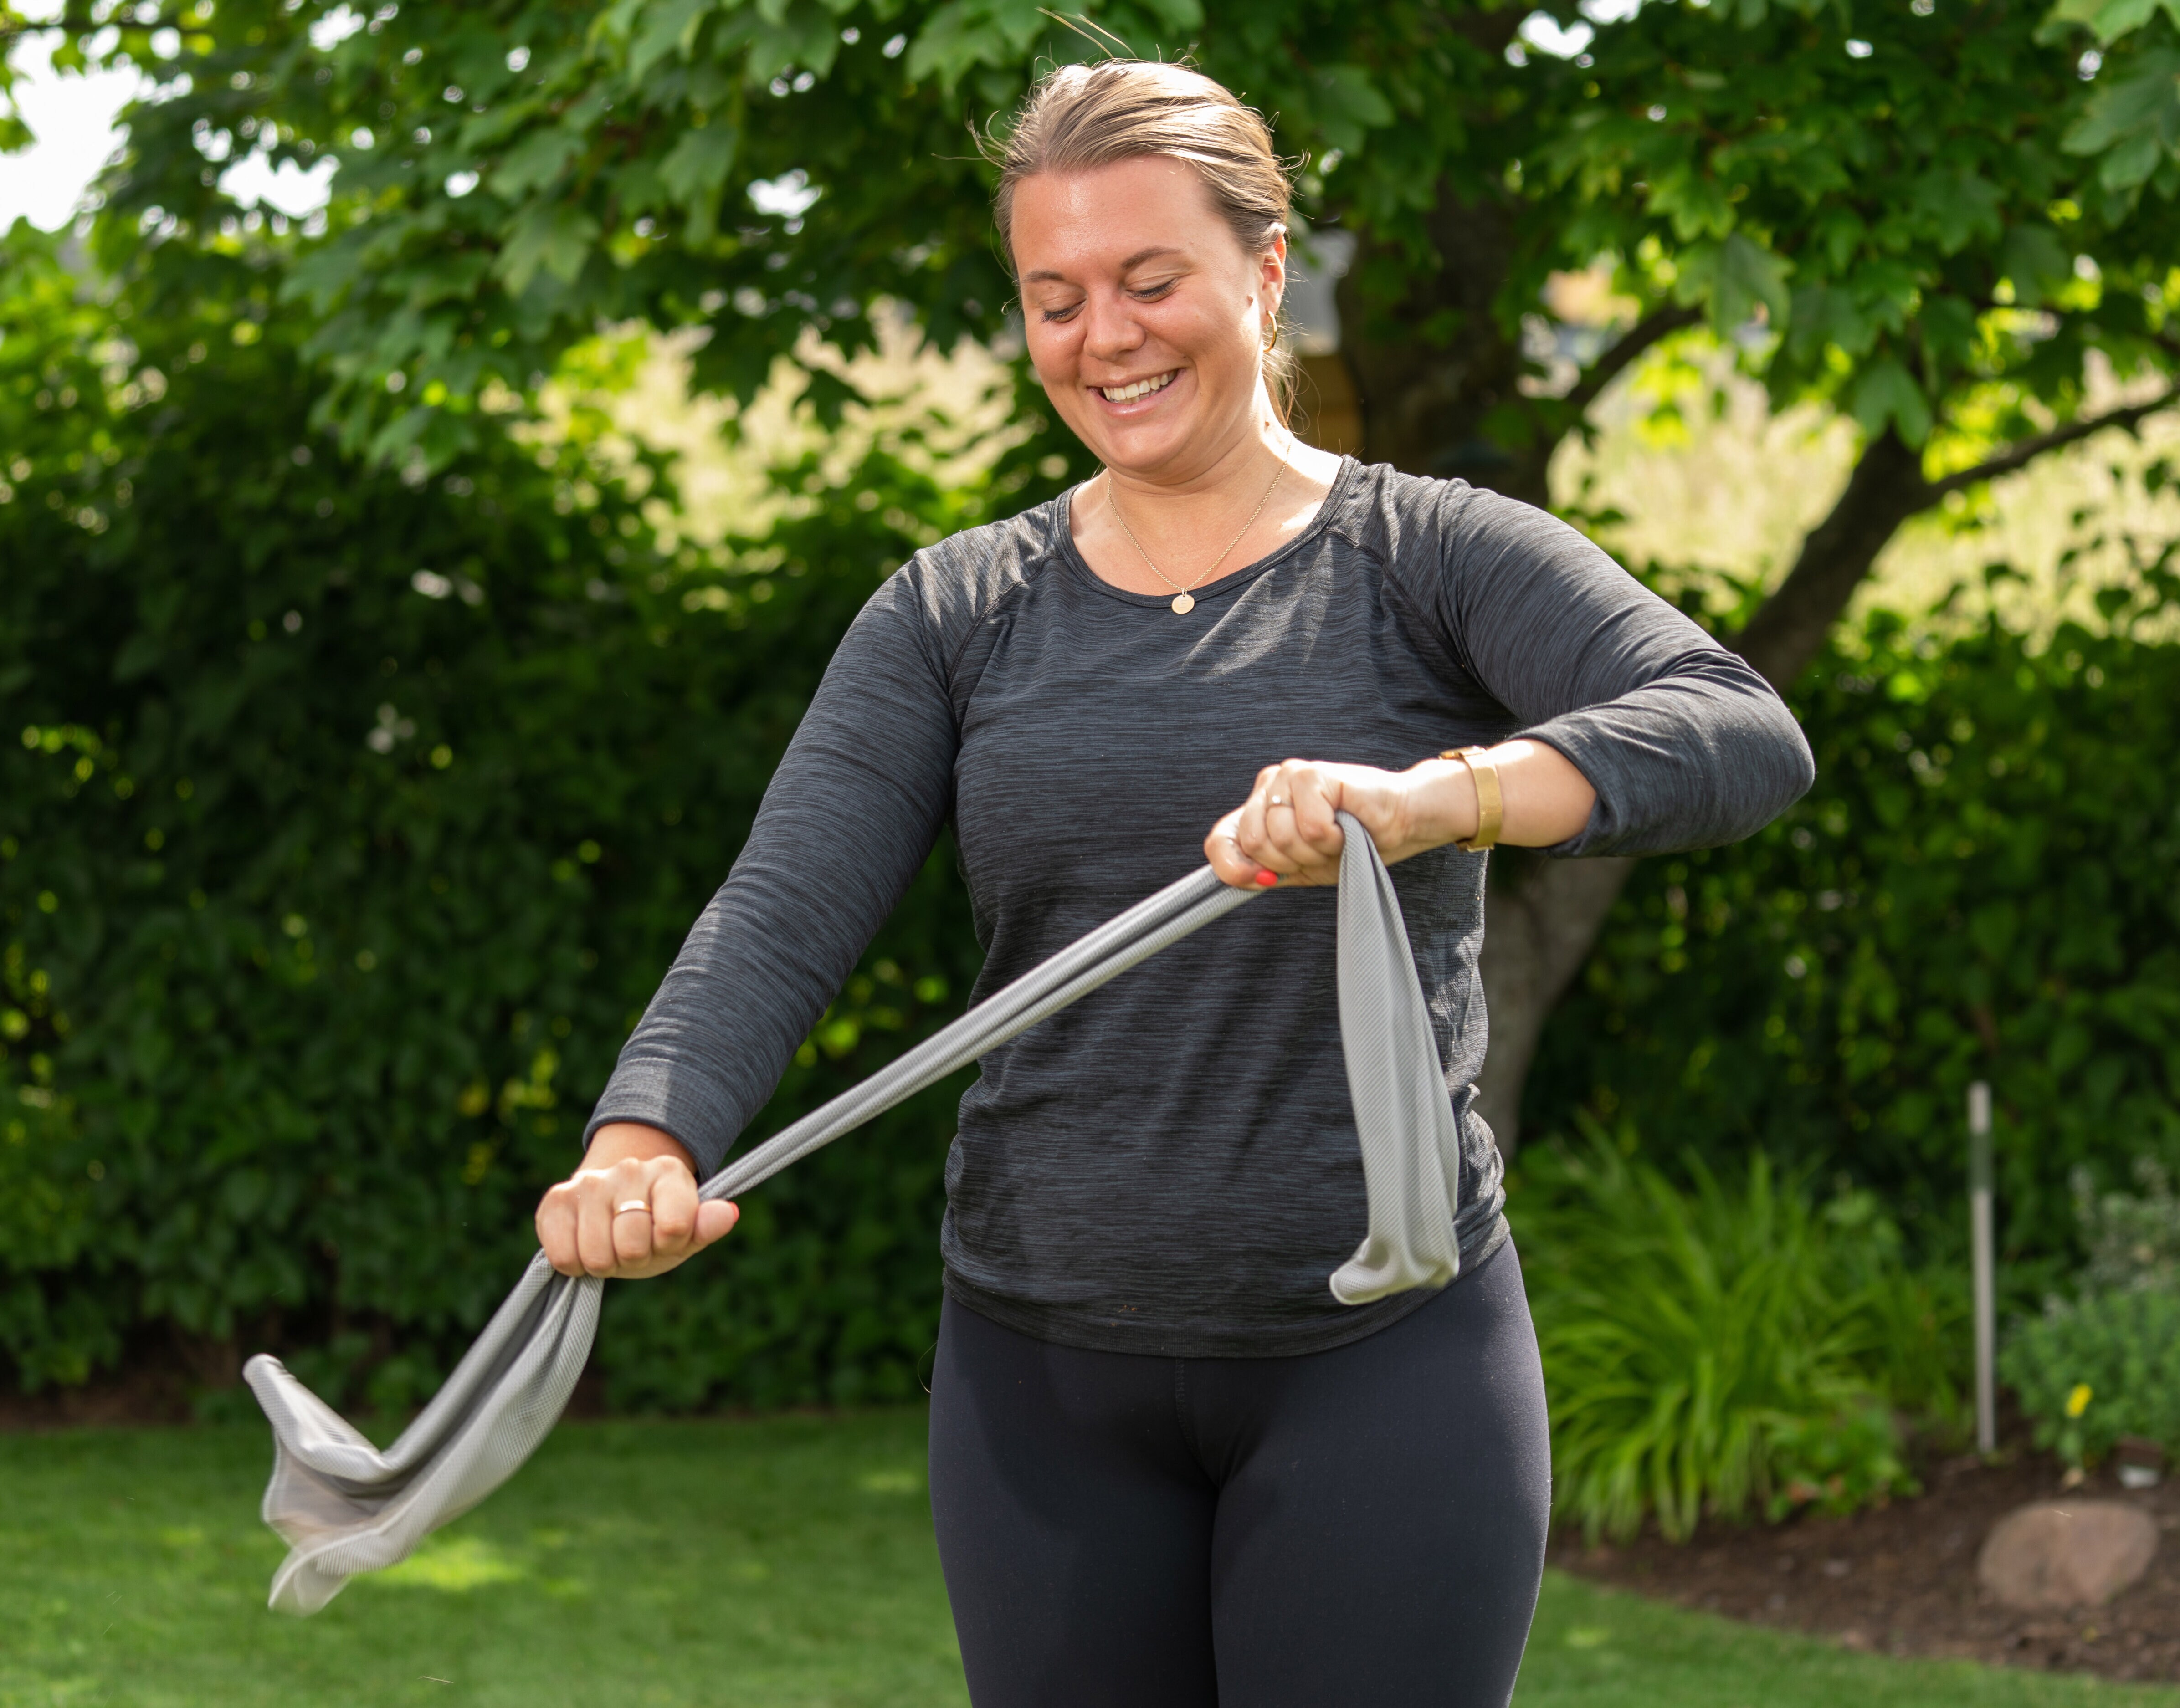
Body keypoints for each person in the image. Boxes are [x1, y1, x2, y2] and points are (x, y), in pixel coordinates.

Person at [535, 58, 1814, 1708]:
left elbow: (1736, 731)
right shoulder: (958, 610)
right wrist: (644, 1138)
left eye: (1152, 280)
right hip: (1041, 1379)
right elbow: (782, 910)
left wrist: (1437, 800)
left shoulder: (1427, 556)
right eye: (1054, 298)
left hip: (1385, 1364)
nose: (1106, 336)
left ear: (1267, 272)